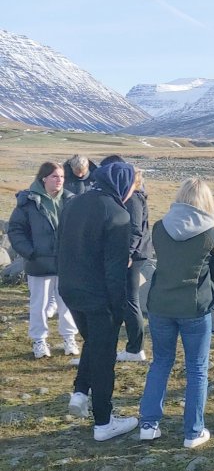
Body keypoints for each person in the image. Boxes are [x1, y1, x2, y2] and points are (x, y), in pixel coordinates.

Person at [138, 178, 214, 448]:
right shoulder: (213, 235)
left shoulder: (159, 228)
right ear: (207, 201)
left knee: (160, 363)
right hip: (195, 308)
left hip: (160, 306)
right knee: (197, 369)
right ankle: (193, 432)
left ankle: (148, 424)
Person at [57, 162, 138, 441]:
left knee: (93, 342)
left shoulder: (73, 203)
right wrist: (119, 310)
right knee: (104, 356)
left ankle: (80, 393)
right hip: (99, 296)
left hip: (69, 290)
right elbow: (115, 271)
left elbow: (62, 248)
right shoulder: (118, 214)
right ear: (122, 184)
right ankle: (104, 422)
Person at [7, 161, 79, 359]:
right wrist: (30, 252)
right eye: (55, 176)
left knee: (67, 302)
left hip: (65, 262)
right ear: (44, 178)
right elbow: (15, 230)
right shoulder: (28, 201)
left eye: (62, 177)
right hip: (39, 262)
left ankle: (69, 338)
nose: (60, 180)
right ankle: (39, 340)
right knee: (39, 303)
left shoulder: (71, 200)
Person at [116, 165, 151, 362]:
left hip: (133, 256)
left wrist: (128, 253)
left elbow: (136, 229)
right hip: (135, 253)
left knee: (130, 300)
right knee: (129, 299)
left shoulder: (134, 199)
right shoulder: (136, 197)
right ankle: (134, 347)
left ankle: (135, 348)